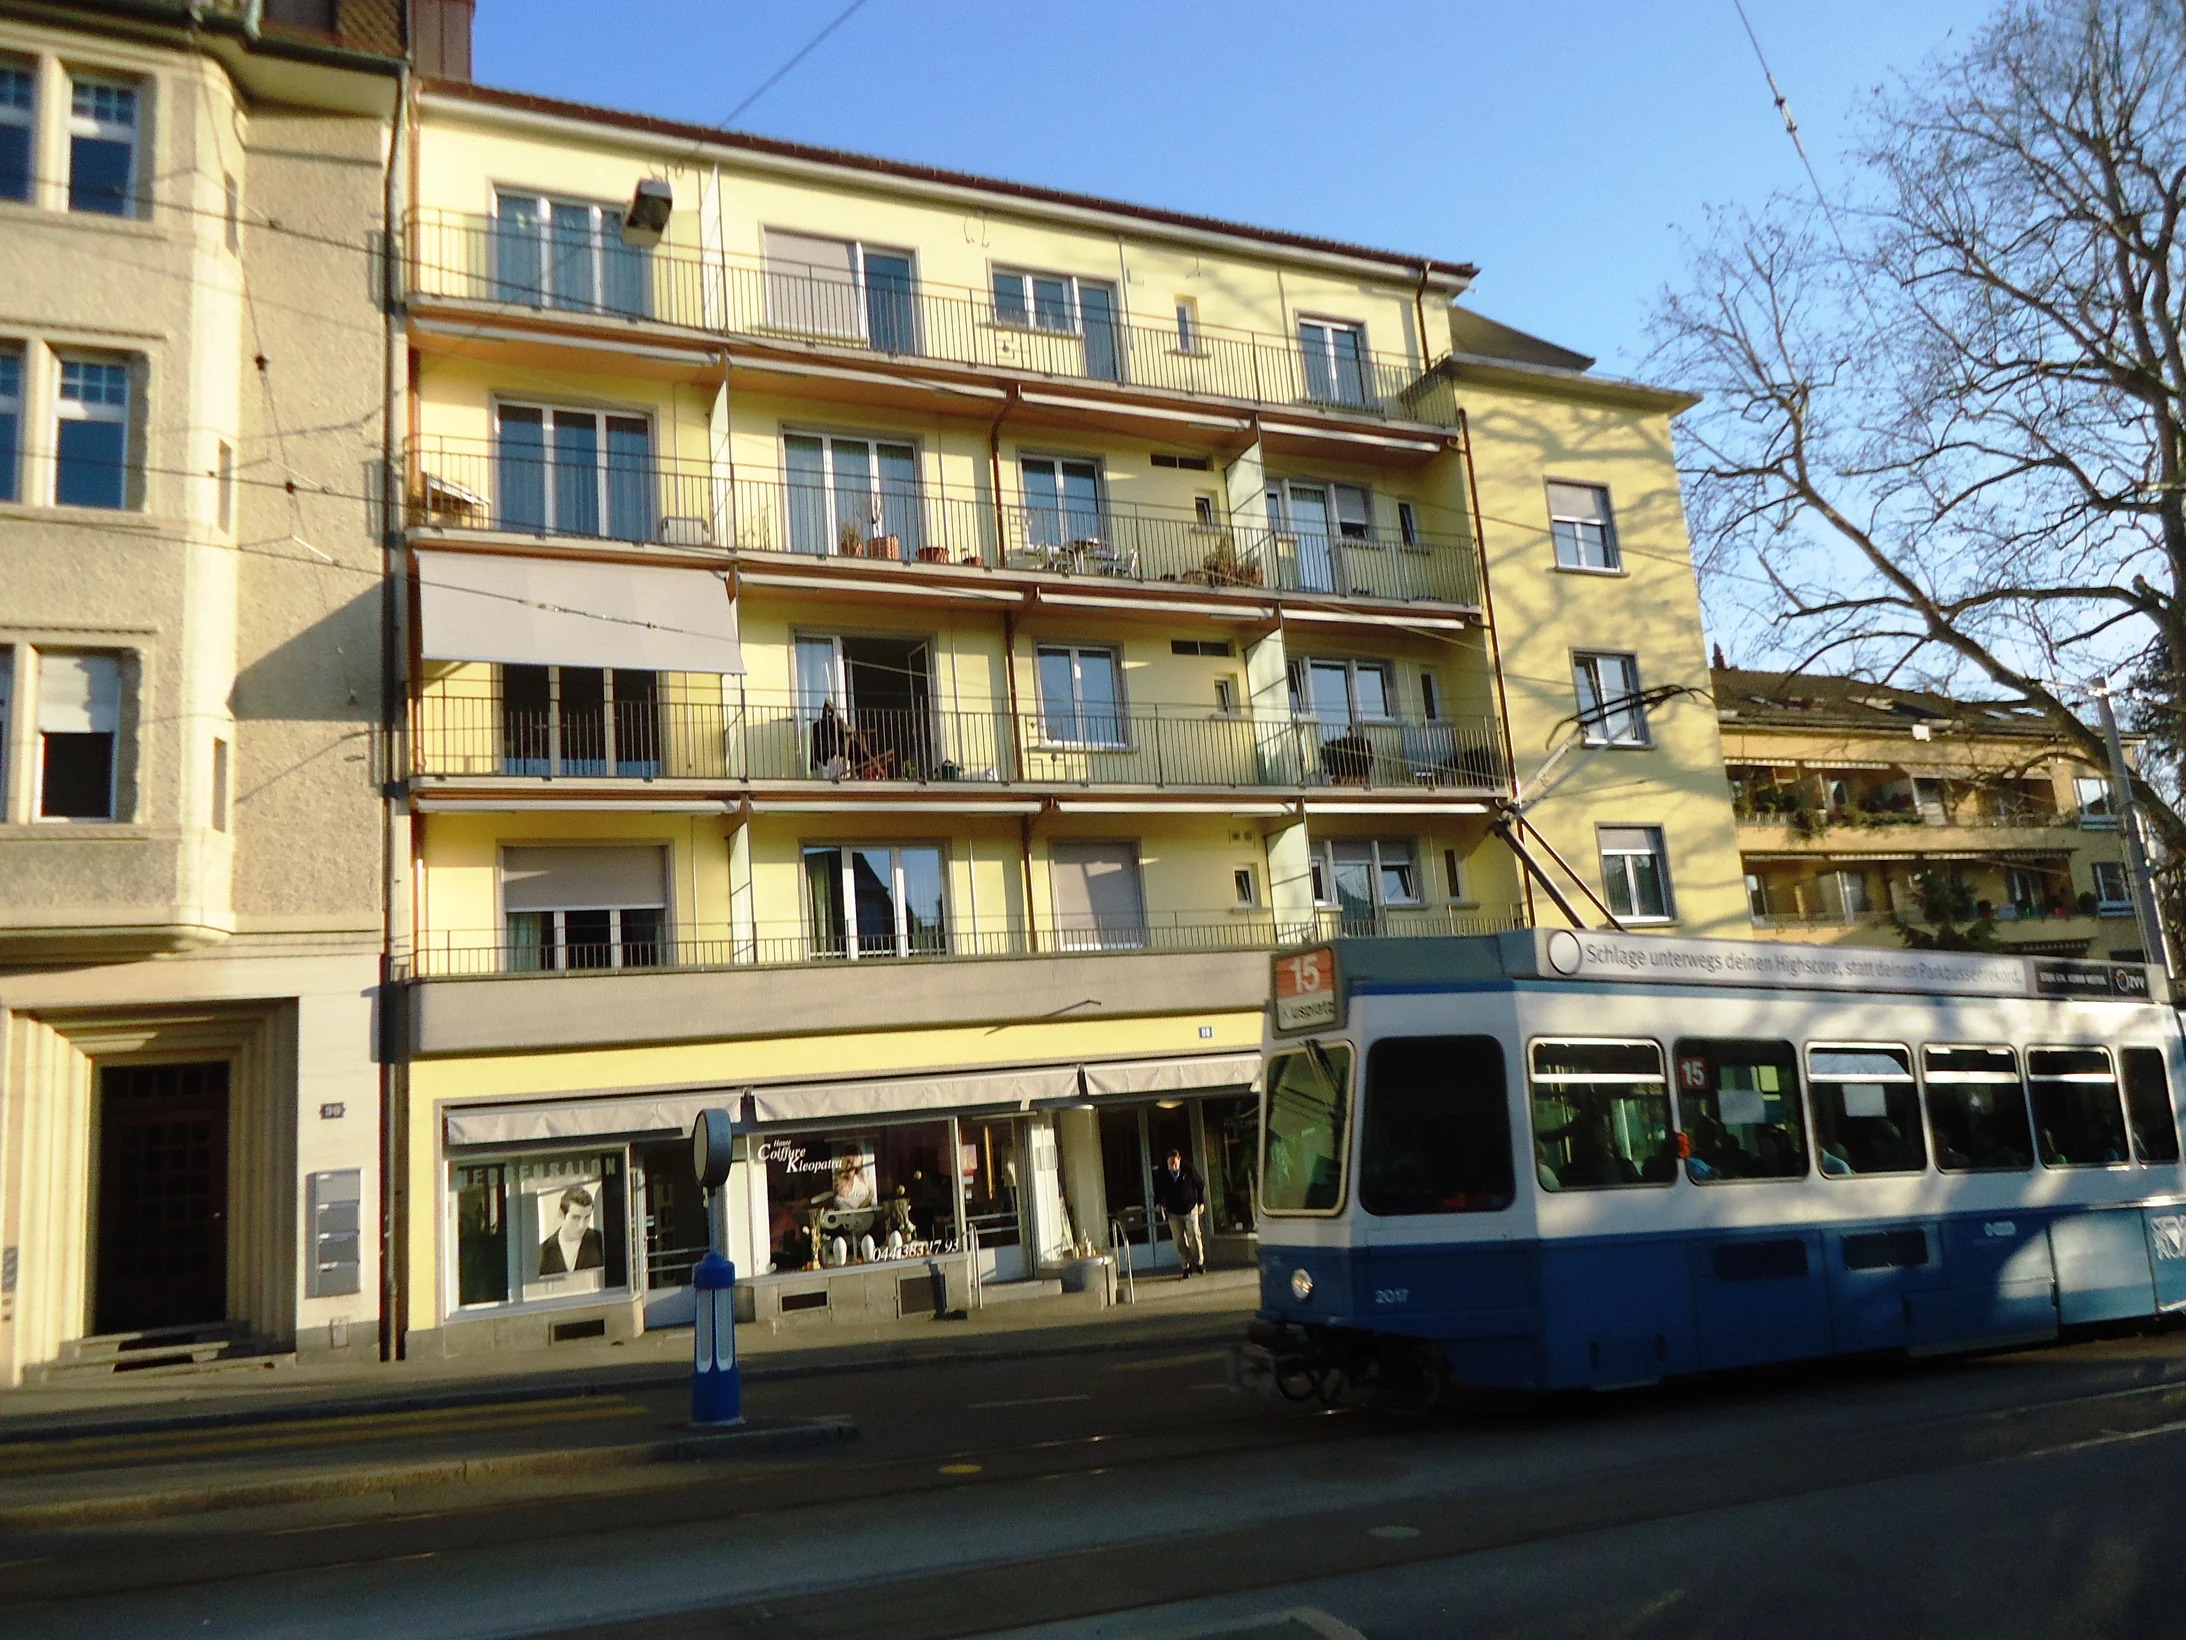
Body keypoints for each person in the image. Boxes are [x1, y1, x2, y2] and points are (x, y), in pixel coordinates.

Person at [1151, 1146, 1207, 1276]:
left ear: (1179, 1160)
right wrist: (1158, 1203)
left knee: (1193, 1236)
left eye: (1174, 1163)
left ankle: (1198, 1262)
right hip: (1173, 1212)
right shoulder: (1163, 1173)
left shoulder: (1188, 1169)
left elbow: (1200, 1184)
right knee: (1179, 1240)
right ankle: (1185, 1265)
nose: (1172, 1166)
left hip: (1190, 1208)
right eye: (1170, 1163)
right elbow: (1157, 1191)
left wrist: (1201, 1202)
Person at [537, 1185, 604, 1275]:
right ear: (561, 1214)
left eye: (587, 1217)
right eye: (576, 1218)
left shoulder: (600, 1241)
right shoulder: (542, 1253)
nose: (582, 1226)